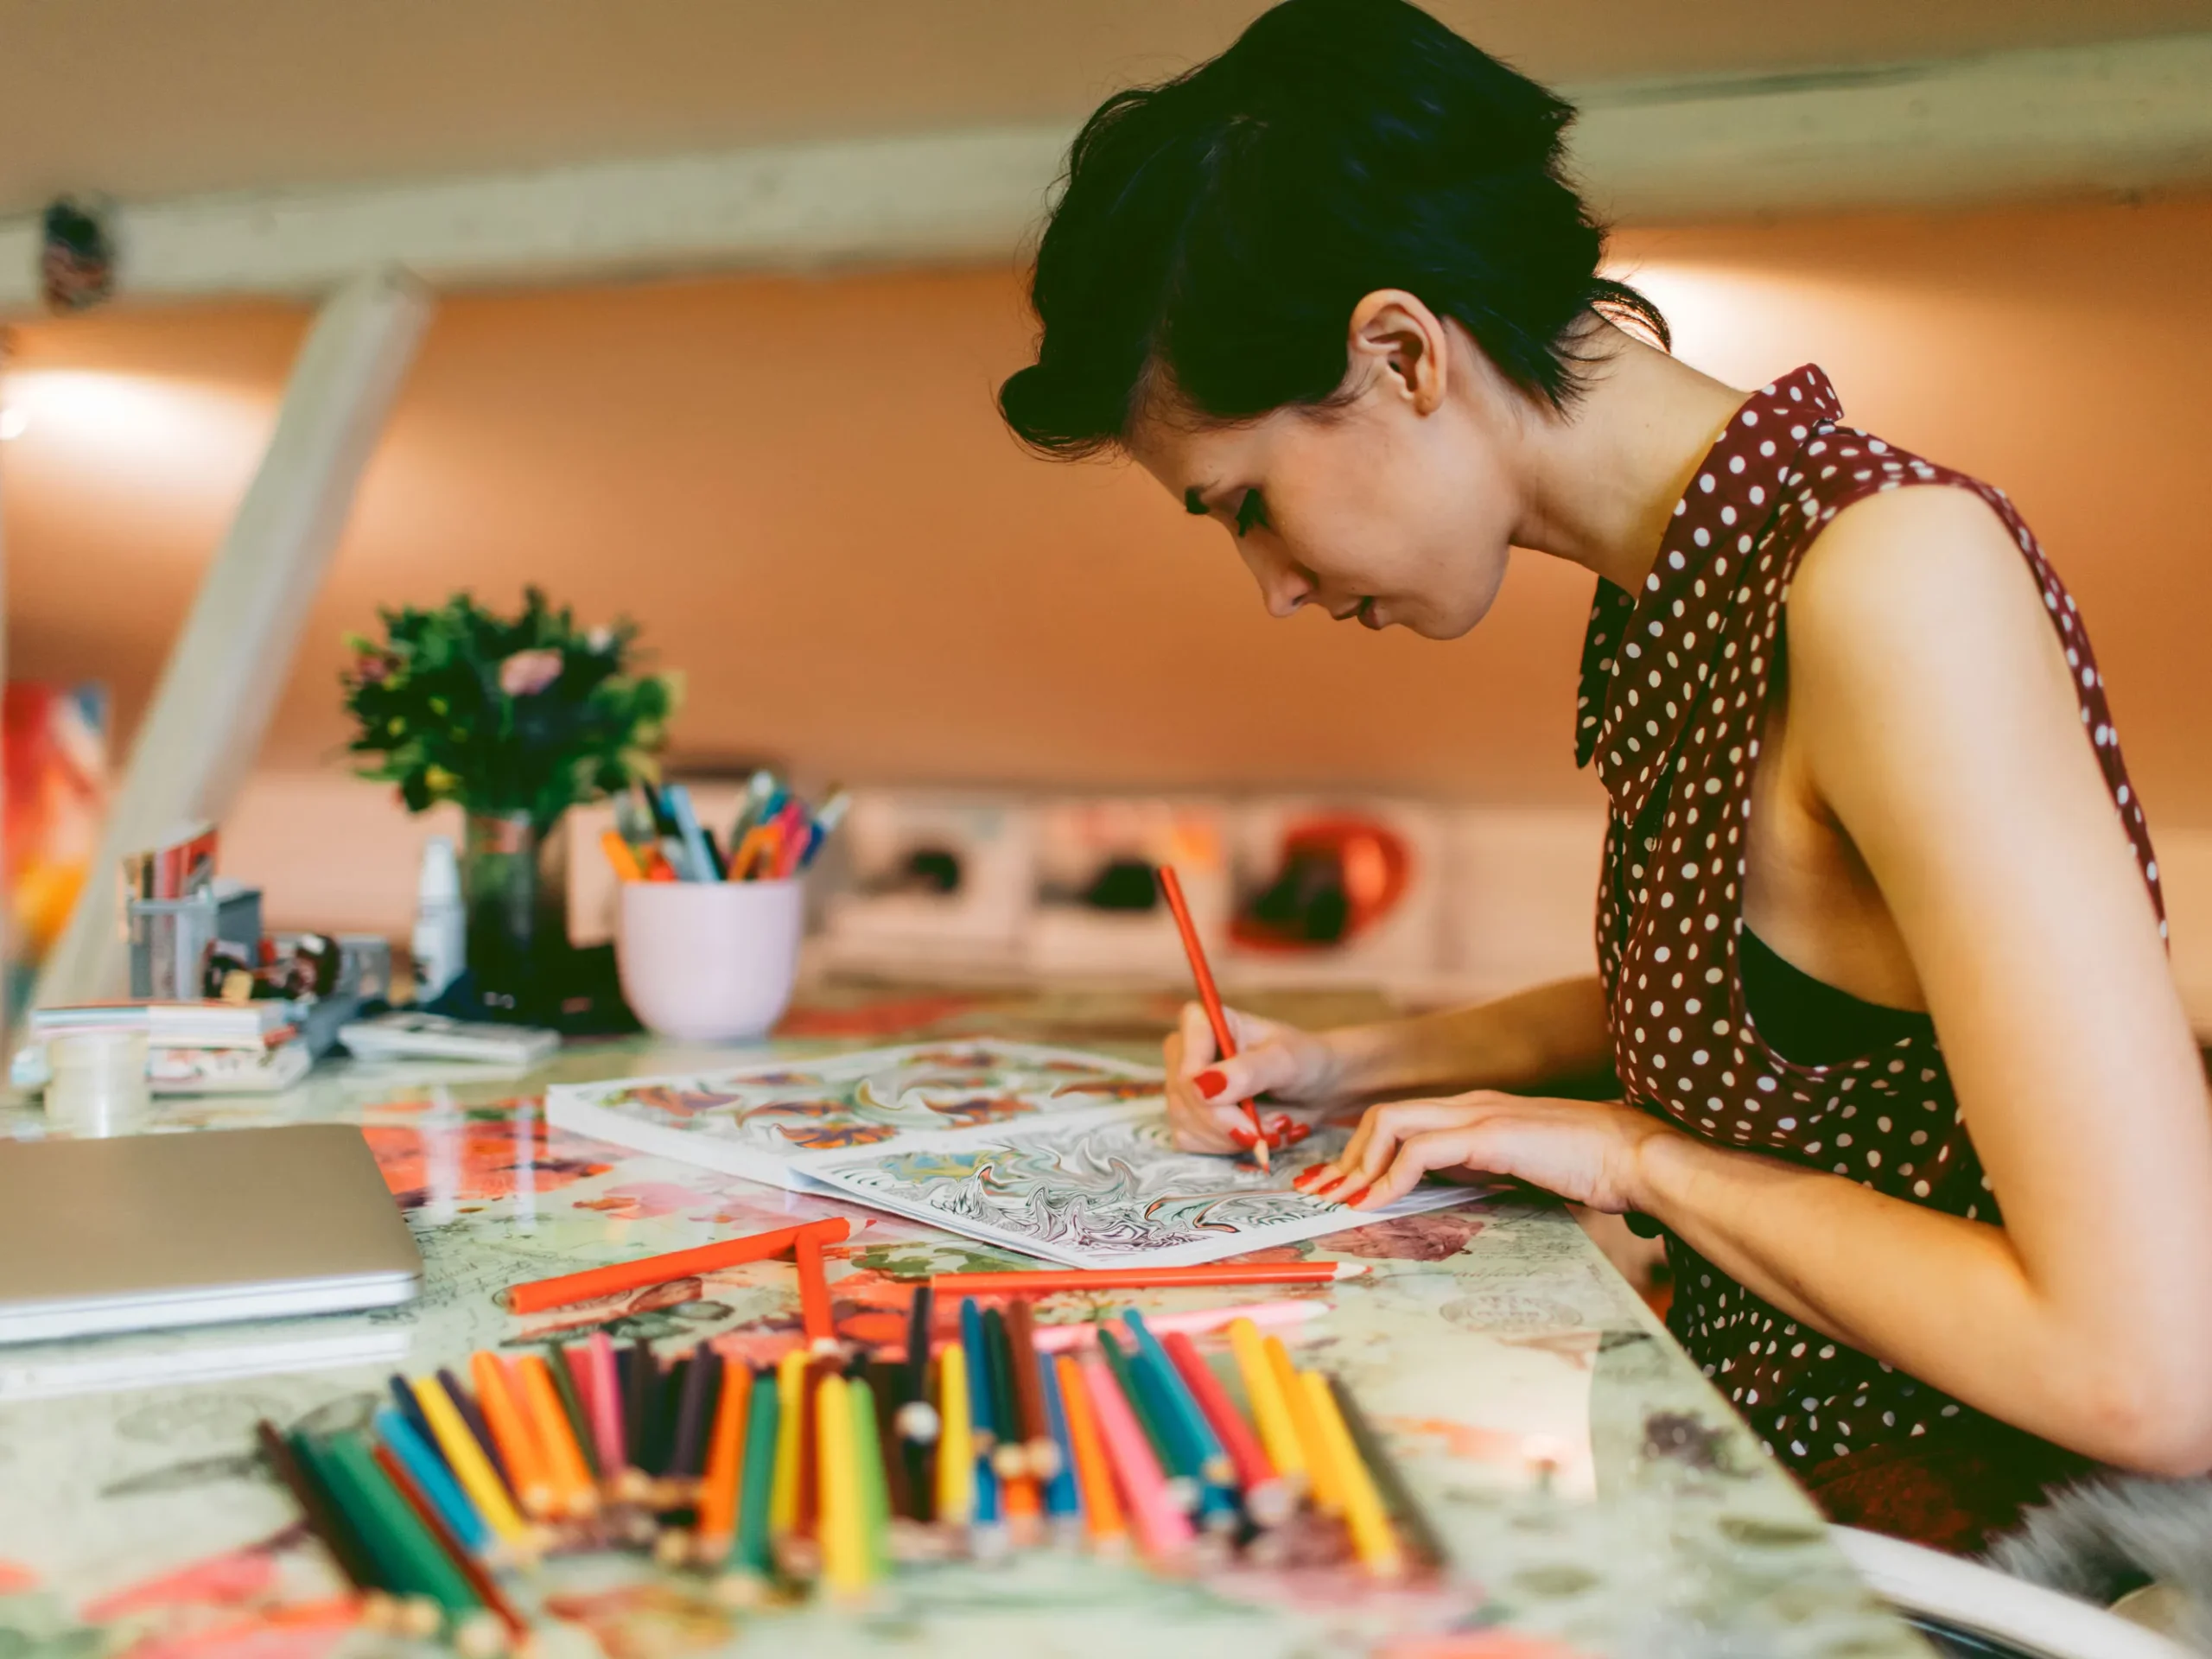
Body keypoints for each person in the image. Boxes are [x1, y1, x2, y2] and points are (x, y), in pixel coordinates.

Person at [995, 0, 2212, 1553]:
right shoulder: (1684, 590)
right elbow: (1768, 1013)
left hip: (1948, 1550)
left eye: (1244, 504)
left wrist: (1638, 1158)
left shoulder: (1893, 580)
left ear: (1400, 354)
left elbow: (2149, 1374)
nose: (1274, 585)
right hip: (1739, 1487)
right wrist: (1356, 1066)